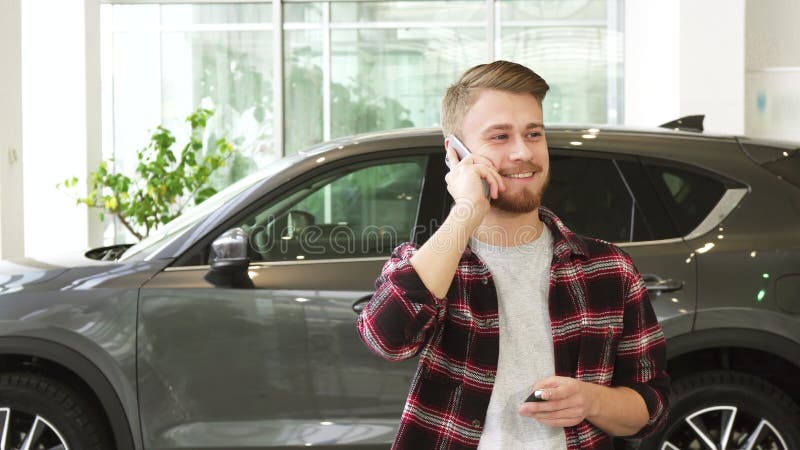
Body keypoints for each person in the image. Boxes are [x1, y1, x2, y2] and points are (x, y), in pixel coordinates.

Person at [357, 60, 670, 450]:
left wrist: (592, 400)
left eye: (533, 133)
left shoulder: (609, 269)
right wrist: (467, 210)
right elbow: (387, 340)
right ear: (456, 154)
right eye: (500, 136)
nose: (523, 152)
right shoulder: (430, 265)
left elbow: (650, 408)